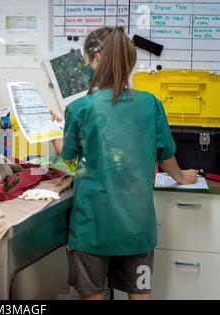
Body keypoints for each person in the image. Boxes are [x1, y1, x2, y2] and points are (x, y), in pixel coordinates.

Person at [51, 27, 198, 300]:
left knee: (92, 295)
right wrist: (181, 177)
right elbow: (166, 156)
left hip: (92, 226)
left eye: (85, 60)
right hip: (136, 226)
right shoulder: (150, 103)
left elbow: (66, 164)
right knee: (140, 294)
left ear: (95, 59)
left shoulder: (80, 108)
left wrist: (53, 134)